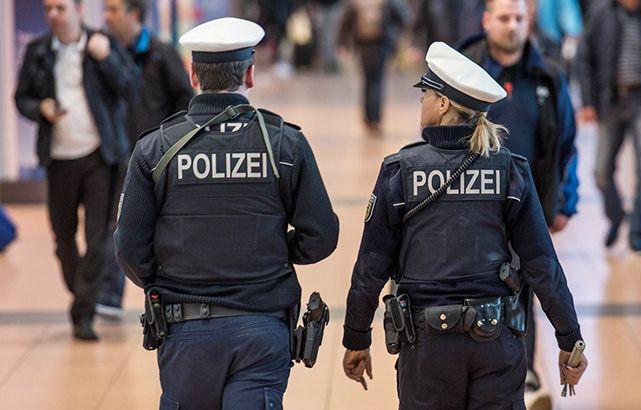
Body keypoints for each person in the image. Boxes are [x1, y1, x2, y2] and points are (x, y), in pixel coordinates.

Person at [341, 42, 587, 409]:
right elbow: (541, 263)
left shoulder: (400, 171)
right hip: (497, 341)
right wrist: (570, 338)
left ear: (443, 104)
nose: (421, 101)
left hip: (427, 348)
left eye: (426, 94)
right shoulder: (509, 169)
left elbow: (371, 266)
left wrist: (356, 337)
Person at [114, 17, 339, 409]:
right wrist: (274, 250)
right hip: (263, 328)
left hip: (185, 329)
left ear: (193, 75)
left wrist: (172, 274)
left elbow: (130, 250)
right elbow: (321, 235)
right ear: (249, 75)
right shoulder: (284, 144)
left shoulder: (155, 149)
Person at [458, 0, 580, 406]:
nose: (512, 25)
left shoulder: (548, 76)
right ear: (486, 20)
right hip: (472, 207)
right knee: (474, 288)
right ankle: (474, 374)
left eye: (519, 19)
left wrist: (565, 201)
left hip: (529, 208)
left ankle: (523, 375)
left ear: (529, 23)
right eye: (504, 18)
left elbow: (566, 143)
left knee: (524, 292)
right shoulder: (464, 71)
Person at [14, 0, 137, 341]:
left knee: (98, 237)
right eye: (48, 9)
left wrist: (106, 58)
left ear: (78, 11)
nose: (53, 15)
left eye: (61, 8)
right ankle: (83, 294)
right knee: (63, 237)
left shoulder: (102, 43)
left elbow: (131, 87)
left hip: (100, 156)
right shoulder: (39, 51)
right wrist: (40, 107)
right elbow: (21, 97)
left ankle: (83, 313)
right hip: (59, 159)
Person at [97, 0, 195, 320]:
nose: (106, 17)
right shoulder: (102, 51)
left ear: (134, 14)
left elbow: (185, 100)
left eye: (113, 10)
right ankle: (108, 295)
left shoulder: (161, 53)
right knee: (114, 223)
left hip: (156, 157)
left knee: (153, 223)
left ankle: (162, 292)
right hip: (113, 154)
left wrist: (168, 141)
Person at [577, 0, 641, 253]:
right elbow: (584, 58)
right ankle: (616, 216)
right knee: (601, 172)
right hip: (611, 101)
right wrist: (588, 101)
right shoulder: (601, 12)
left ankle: (636, 232)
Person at [339, 0, 411, 134]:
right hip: (382, 44)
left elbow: (346, 20)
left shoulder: (357, 2)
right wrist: (396, 35)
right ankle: (375, 119)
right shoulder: (387, 2)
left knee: (367, 81)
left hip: (363, 46)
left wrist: (343, 42)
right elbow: (404, 18)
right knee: (377, 81)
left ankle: (367, 117)